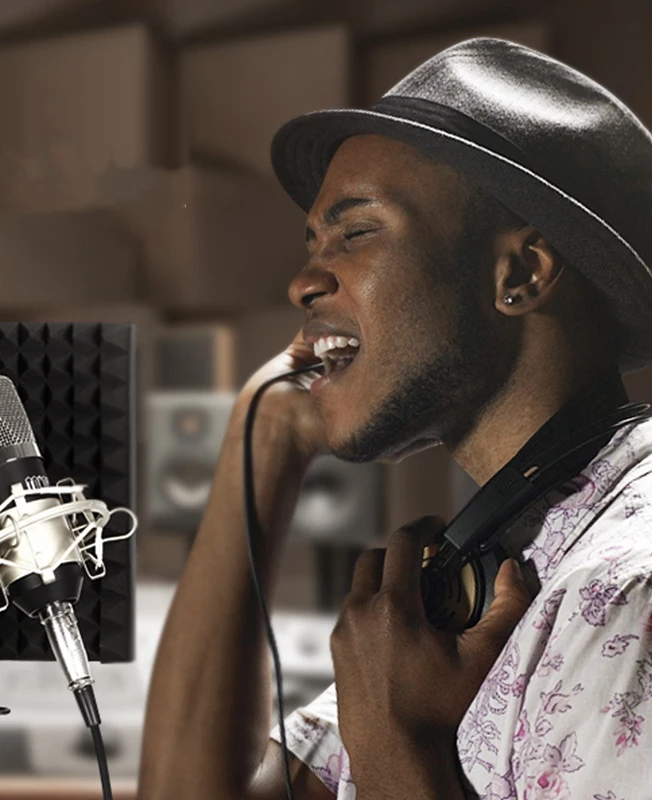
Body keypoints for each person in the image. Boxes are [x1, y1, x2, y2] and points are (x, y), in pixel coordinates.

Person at [138, 38, 652, 799]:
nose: (303, 283)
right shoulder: (475, 573)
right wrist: (263, 438)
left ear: (518, 274)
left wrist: (397, 748)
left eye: (357, 233)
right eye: (314, 241)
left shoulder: (628, 594)